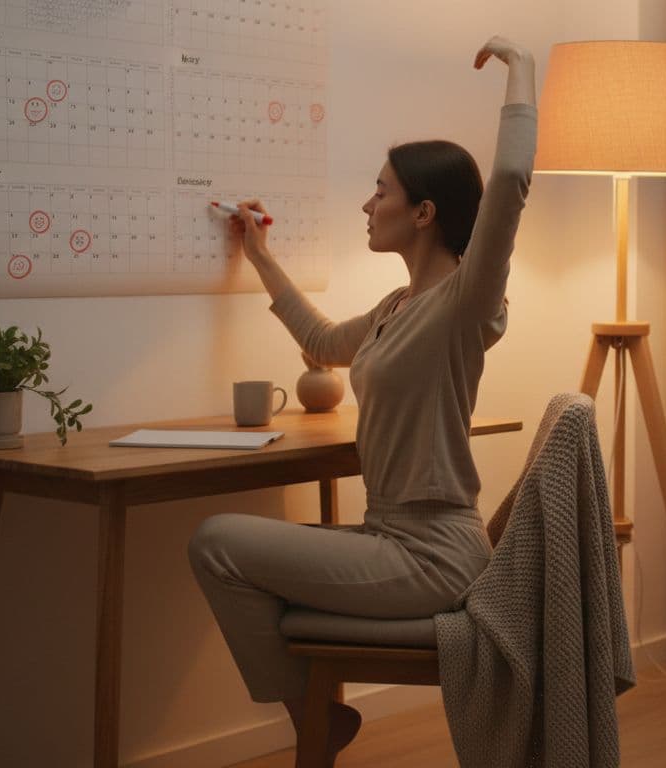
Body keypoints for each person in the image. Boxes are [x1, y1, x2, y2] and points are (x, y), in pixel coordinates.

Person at [187, 35, 536, 758]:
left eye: (381, 190)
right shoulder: (394, 307)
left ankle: (311, 720)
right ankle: (319, 719)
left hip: (433, 554)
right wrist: (259, 254)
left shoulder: (466, 302)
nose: (367, 203)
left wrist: (523, 71)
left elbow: (508, 181)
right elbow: (319, 343)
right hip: (390, 539)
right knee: (229, 550)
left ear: (424, 213)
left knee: (217, 544)